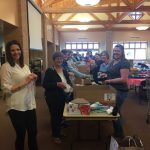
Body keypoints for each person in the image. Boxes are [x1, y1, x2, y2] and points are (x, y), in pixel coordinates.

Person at [0, 40, 38, 150]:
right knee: (21, 133)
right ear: (8, 52)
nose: (16, 52)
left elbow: (28, 80)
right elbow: (5, 89)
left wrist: (33, 78)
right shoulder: (5, 67)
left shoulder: (24, 66)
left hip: (29, 103)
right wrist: (25, 81)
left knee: (33, 132)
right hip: (16, 106)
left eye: (18, 49)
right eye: (12, 50)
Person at [42, 52, 73, 144]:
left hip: (63, 96)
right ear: (54, 60)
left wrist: (70, 86)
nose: (59, 60)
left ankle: (58, 132)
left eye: (61, 58)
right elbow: (45, 85)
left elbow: (68, 82)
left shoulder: (64, 70)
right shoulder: (50, 71)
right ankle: (55, 135)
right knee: (55, 116)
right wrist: (56, 84)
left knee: (60, 116)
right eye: (57, 58)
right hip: (53, 97)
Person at [104, 44, 130, 139]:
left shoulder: (124, 63)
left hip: (120, 91)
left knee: (115, 111)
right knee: (111, 110)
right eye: (114, 50)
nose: (115, 52)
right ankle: (117, 132)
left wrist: (109, 81)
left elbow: (123, 79)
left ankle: (120, 134)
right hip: (110, 90)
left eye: (118, 51)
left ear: (122, 52)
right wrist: (105, 75)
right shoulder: (112, 61)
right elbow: (110, 73)